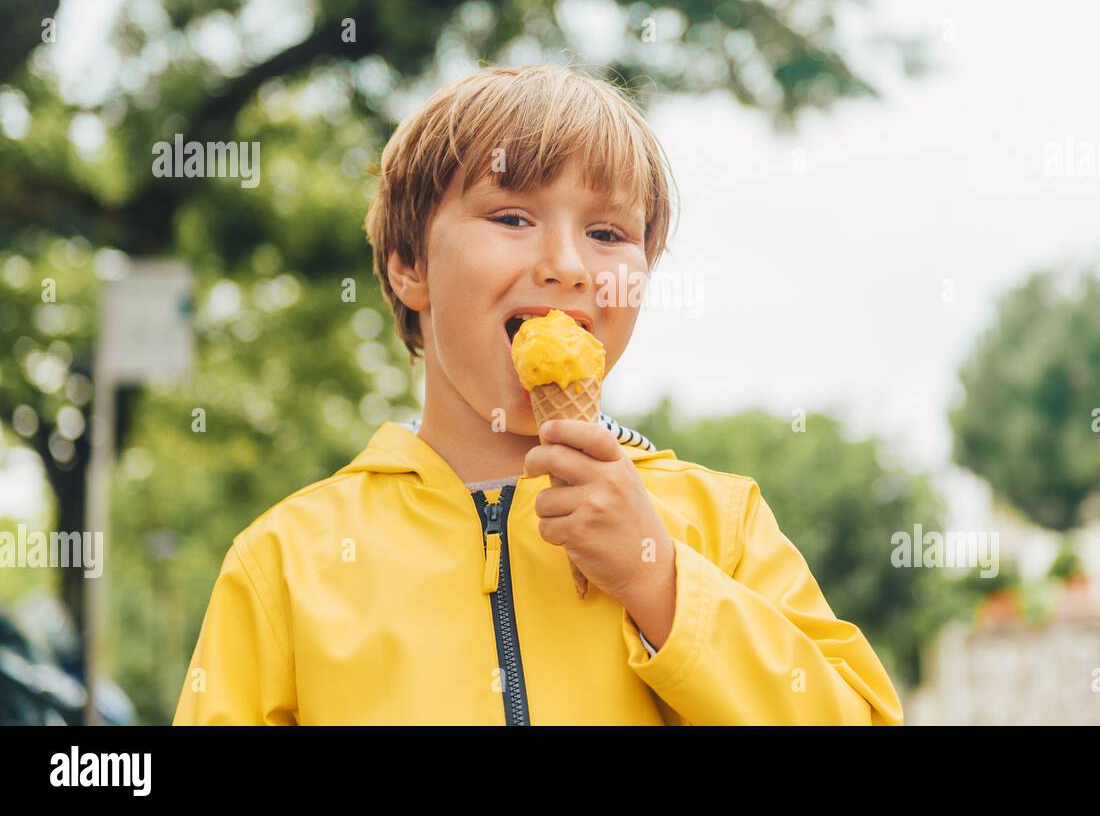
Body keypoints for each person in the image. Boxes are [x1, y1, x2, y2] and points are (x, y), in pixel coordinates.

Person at [172, 64, 903, 725]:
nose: (566, 264)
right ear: (408, 266)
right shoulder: (285, 563)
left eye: (609, 232)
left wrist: (660, 581)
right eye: (513, 217)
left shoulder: (720, 525)